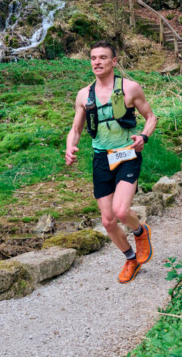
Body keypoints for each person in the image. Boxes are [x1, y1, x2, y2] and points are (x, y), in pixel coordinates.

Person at [65, 41, 158, 283]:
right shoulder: (84, 95)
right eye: (93, 58)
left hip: (127, 154)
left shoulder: (130, 88)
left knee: (120, 211)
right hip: (101, 159)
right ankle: (130, 259)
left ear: (114, 61)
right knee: (107, 221)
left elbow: (151, 117)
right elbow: (76, 128)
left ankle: (139, 231)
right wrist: (70, 146)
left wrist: (144, 136)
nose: (97, 62)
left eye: (103, 57)